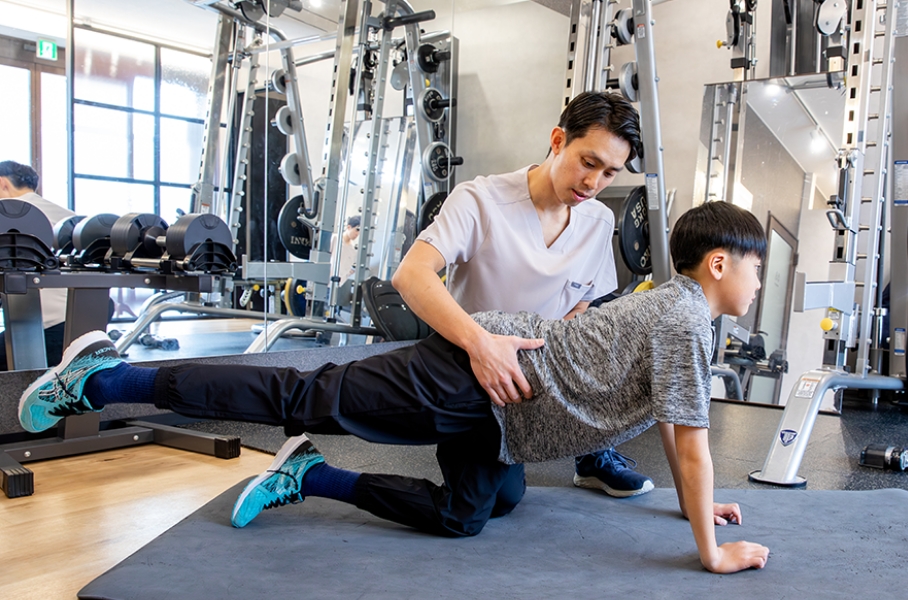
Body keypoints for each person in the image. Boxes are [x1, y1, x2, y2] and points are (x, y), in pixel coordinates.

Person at [20, 201, 769, 573]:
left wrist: (690, 507)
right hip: (470, 378)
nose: (758, 278)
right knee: (297, 395)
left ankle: (310, 473)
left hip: (505, 422)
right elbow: (694, 444)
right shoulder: (682, 318)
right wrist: (711, 549)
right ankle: (107, 376)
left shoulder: (686, 319)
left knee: (469, 515)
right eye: (756, 265)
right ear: (718, 264)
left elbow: (679, 425)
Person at [394, 91, 652, 497]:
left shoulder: (600, 221)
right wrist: (481, 345)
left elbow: (581, 306)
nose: (593, 183)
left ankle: (592, 453)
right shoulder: (481, 199)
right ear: (557, 140)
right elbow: (410, 275)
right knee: (498, 502)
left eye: (609, 173)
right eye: (588, 162)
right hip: (471, 365)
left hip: (537, 369)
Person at [0, 160, 76, 369]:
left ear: (2, 183)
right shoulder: (68, 217)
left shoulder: (5, 215)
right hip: (78, 319)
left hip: (40, 326)